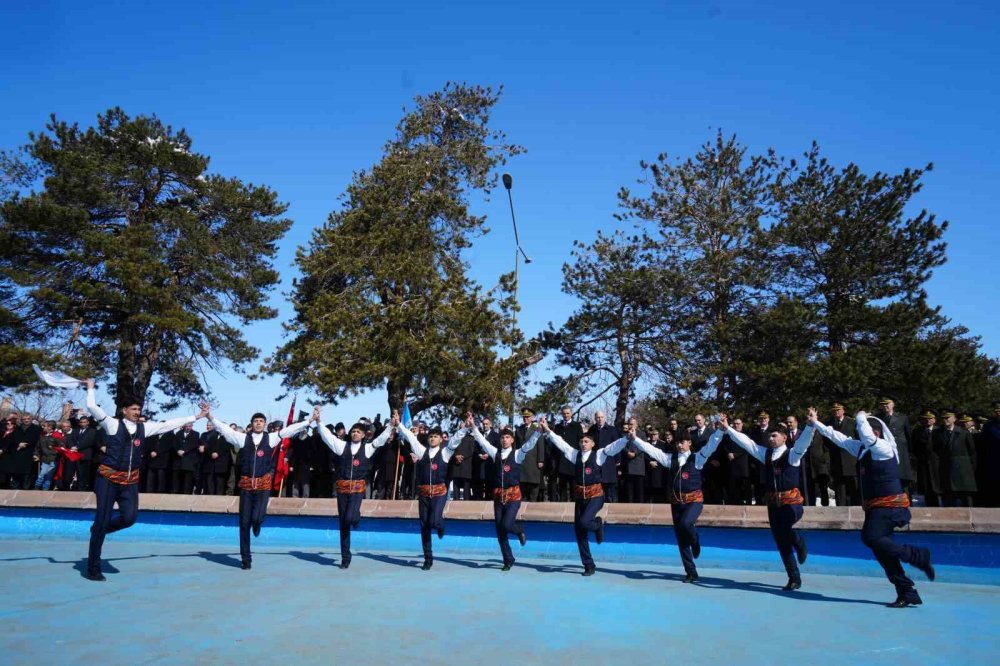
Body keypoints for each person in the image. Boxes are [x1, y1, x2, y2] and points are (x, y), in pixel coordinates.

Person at [808, 408, 935, 607]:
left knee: (870, 537)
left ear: (875, 432)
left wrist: (860, 416)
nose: (860, 434)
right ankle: (907, 591)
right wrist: (816, 422)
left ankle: (917, 556)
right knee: (880, 549)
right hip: (876, 508)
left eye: (863, 430)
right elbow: (837, 437)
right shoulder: (863, 449)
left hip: (891, 506)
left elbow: (866, 434)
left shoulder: (884, 448)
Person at [84, 379, 207, 581]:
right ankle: (93, 567)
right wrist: (90, 387)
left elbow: (168, 425)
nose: (136, 412)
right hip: (108, 479)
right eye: (133, 409)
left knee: (130, 517)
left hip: (130, 481)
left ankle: (101, 529)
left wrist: (196, 416)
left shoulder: (144, 429)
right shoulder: (112, 424)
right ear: (124, 410)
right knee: (102, 518)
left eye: (139, 409)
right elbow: (91, 406)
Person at [209, 405, 315, 569]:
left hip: (262, 486)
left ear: (265, 424)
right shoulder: (242, 438)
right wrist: (210, 417)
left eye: (261, 421)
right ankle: (246, 559)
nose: (258, 423)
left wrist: (309, 421)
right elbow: (225, 430)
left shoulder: (271, 438)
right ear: (252, 424)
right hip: (245, 486)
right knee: (244, 522)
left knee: (257, 517)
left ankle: (257, 523)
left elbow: (289, 430)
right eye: (256, 421)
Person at [719, 413, 814, 591]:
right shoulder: (766, 455)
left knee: (786, 530)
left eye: (774, 435)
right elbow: (747, 443)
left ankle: (799, 540)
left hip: (792, 503)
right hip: (773, 504)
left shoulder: (793, 454)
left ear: (784, 437)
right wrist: (729, 429)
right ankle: (794, 578)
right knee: (781, 541)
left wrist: (810, 426)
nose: (771, 438)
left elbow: (804, 442)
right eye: (769, 436)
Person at [629, 425, 724, 581]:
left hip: (694, 500)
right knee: (680, 537)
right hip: (676, 503)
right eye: (678, 442)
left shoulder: (698, 457)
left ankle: (695, 541)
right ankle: (691, 572)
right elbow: (652, 451)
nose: (680, 445)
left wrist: (720, 431)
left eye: (683, 442)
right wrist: (636, 439)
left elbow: (711, 445)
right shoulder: (670, 459)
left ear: (689, 443)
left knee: (686, 524)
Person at [539, 416, 629, 576]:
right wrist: (547, 431)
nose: (583, 444)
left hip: (596, 496)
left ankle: (598, 524)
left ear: (593, 444)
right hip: (580, 498)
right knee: (579, 531)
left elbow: (614, 447)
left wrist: (626, 438)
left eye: (586, 441)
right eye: (581, 442)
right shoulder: (575, 455)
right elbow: (561, 443)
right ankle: (588, 565)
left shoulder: (599, 455)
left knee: (584, 521)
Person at [459, 415, 541, 570]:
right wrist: (473, 427)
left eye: (508, 437)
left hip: (513, 496)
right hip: (498, 496)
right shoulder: (495, 453)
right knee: (499, 529)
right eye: (503, 437)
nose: (504, 440)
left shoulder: (518, 454)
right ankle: (508, 559)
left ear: (512, 440)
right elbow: (482, 441)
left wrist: (538, 432)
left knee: (507, 524)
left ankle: (519, 530)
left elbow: (530, 444)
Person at [316, 411, 395, 568]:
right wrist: (319, 422)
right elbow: (328, 437)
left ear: (364, 434)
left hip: (357, 489)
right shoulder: (341, 446)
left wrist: (391, 425)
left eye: (358, 431)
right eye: (353, 431)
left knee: (350, 517)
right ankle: (345, 557)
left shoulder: (367, 448)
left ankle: (356, 516)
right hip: (342, 489)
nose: (355, 434)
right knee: (343, 524)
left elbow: (381, 440)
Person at [397, 417, 463, 570]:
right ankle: (428, 558)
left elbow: (455, 440)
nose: (432, 438)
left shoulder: (445, 452)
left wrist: (465, 428)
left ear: (441, 439)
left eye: (435, 436)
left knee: (434, 521)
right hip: (424, 494)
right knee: (424, 525)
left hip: (439, 493)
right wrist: (398, 424)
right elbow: (409, 437)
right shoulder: (422, 451)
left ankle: (441, 525)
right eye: (431, 436)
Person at [933, 411, 977, 507]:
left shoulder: (963, 433)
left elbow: (972, 451)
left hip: (963, 469)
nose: (945, 420)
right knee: (948, 496)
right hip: (946, 468)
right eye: (943, 418)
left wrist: (970, 467)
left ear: (954, 419)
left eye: (948, 417)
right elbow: (935, 449)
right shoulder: (937, 433)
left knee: (965, 496)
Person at [515, 408, 543, 501]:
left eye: (527, 417)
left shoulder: (537, 429)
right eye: (524, 417)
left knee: (533, 484)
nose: (525, 418)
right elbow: (516, 445)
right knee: (522, 485)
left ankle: (532, 504)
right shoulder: (519, 429)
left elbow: (540, 444)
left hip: (533, 460)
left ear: (532, 417)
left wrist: (540, 460)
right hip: (521, 460)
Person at [32, 420, 60, 490]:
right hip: (45, 459)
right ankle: (37, 487)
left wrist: (54, 449)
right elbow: (37, 447)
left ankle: (45, 489)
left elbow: (62, 447)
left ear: (50, 427)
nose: (43, 427)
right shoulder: (42, 437)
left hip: (53, 460)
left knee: (48, 476)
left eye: (45, 426)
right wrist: (36, 455)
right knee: (42, 474)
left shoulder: (56, 436)